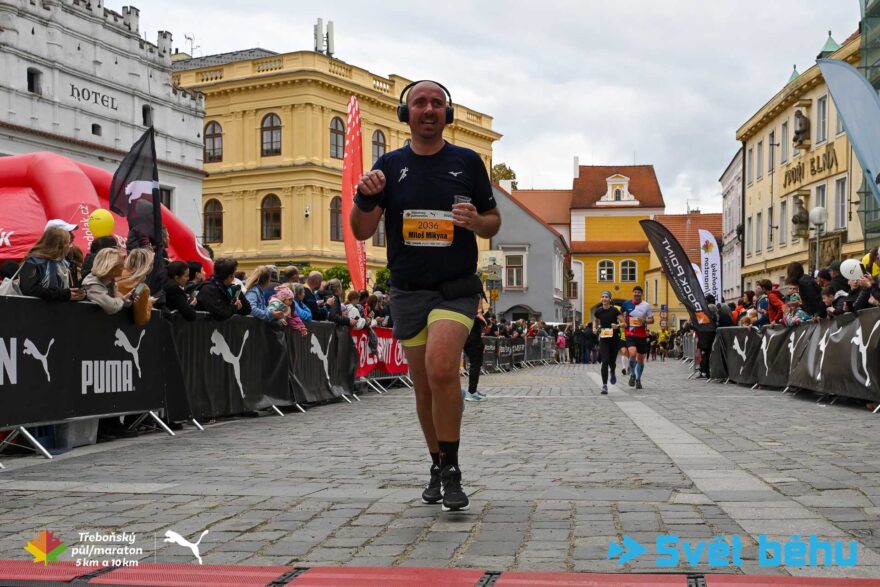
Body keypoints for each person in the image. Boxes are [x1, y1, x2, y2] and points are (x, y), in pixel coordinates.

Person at [349, 80, 501, 512]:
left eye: (437, 103)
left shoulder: (467, 161)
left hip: (455, 289)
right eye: (420, 103)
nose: (429, 109)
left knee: (442, 368)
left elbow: (493, 220)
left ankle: (452, 470)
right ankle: (437, 462)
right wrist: (364, 197)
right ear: (406, 114)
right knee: (424, 386)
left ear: (446, 115)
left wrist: (477, 221)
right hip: (408, 291)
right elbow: (360, 230)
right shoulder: (390, 165)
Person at [19, 224, 86, 302]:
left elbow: (69, 290)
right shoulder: (34, 262)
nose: (70, 247)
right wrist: (65, 294)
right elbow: (30, 289)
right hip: (35, 308)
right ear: (60, 246)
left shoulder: (65, 264)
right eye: (69, 243)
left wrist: (79, 295)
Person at [81, 248, 139, 314]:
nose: (124, 268)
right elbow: (112, 307)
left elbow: (116, 303)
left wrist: (125, 300)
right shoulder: (92, 284)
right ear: (112, 267)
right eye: (121, 266)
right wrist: (121, 299)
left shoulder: (109, 281)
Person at [620, 285, 654, 389]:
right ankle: (632, 374)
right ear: (633, 293)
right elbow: (620, 314)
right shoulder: (626, 304)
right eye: (635, 292)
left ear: (641, 294)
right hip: (630, 333)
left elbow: (652, 320)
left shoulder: (646, 305)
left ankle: (638, 379)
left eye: (638, 292)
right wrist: (623, 321)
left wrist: (644, 321)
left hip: (641, 334)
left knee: (640, 360)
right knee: (632, 353)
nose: (637, 294)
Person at [592, 291, 622, 394]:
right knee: (604, 361)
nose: (604, 298)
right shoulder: (598, 311)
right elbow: (595, 321)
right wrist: (594, 328)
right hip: (604, 338)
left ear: (610, 299)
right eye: (602, 297)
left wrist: (617, 326)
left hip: (614, 339)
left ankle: (612, 371)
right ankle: (604, 385)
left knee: (612, 361)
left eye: (606, 297)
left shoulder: (615, 310)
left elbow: (624, 323)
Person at [463, 307, 488, 402]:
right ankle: (471, 392)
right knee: (475, 366)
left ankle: (473, 390)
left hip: (471, 341)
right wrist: (479, 312)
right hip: (473, 342)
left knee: (476, 366)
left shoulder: (468, 313)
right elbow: (485, 323)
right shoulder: (474, 314)